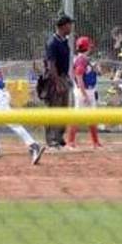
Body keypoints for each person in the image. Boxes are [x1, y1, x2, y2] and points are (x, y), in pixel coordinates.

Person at [41, 14, 74, 149]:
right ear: (63, 26)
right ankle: (51, 139)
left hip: (63, 76)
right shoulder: (52, 42)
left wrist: (66, 78)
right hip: (54, 78)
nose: (71, 27)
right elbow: (51, 64)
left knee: (63, 108)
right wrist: (58, 82)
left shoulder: (64, 41)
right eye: (69, 24)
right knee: (53, 108)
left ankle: (59, 136)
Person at [65, 36, 103, 150]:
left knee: (93, 116)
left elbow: (96, 73)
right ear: (86, 47)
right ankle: (70, 142)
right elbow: (79, 77)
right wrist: (84, 94)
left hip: (89, 90)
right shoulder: (81, 60)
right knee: (77, 116)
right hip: (83, 91)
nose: (91, 48)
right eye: (89, 46)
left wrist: (96, 68)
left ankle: (95, 143)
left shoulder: (86, 59)